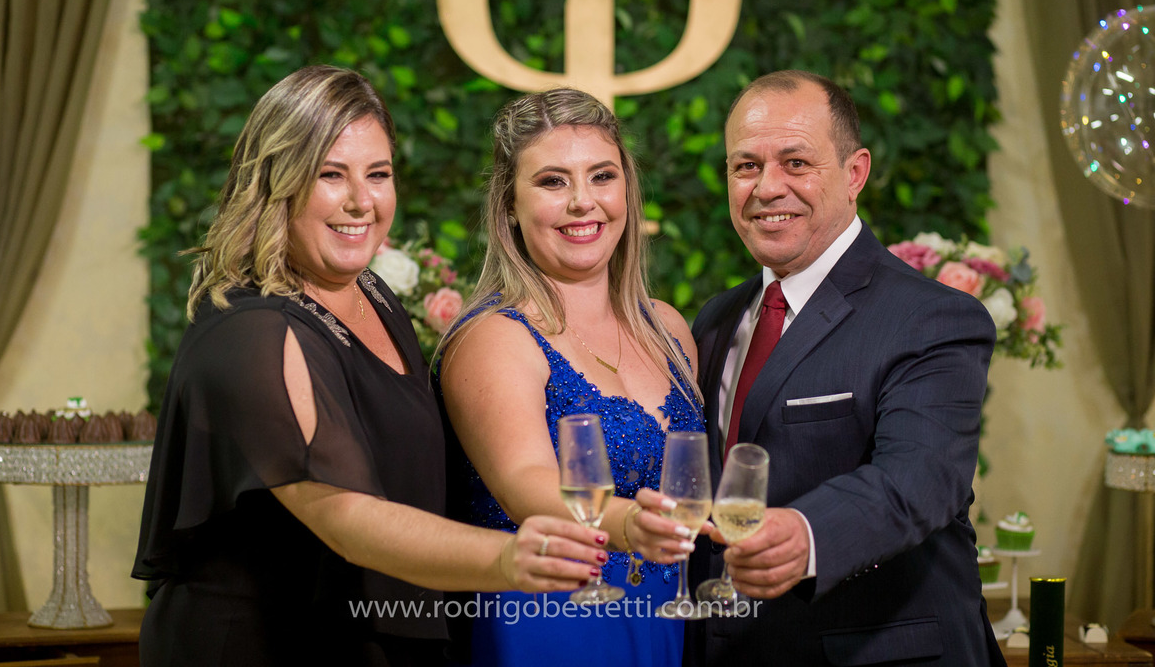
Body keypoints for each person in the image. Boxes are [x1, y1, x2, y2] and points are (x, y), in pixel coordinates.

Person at [132, 66, 607, 667]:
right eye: (331, 175)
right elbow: (346, 516)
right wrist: (507, 559)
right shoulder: (249, 332)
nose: (362, 201)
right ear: (276, 182)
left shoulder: (375, 296)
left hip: (354, 635)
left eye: (378, 174)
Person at [687, 70, 1007, 665]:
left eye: (796, 163)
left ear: (854, 173)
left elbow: (920, 477)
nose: (766, 187)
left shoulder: (935, 317)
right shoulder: (715, 319)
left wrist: (808, 535)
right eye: (745, 166)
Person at [435, 88, 705, 667]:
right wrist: (634, 524)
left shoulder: (670, 331)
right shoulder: (492, 337)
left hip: (667, 624)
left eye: (602, 176)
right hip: (548, 622)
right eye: (553, 182)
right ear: (509, 204)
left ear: (627, 192)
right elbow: (526, 484)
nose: (584, 202)